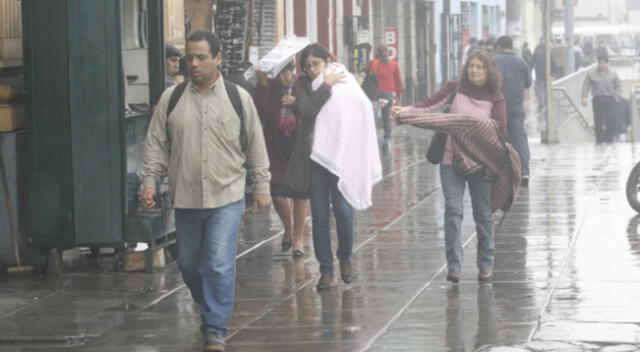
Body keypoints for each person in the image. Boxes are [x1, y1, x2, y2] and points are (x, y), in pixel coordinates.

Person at [141, 30, 271, 352]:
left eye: (201, 57)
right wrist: (149, 182)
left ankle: (215, 327)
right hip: (185, 198)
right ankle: (208, 299)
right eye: (190, 58)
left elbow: (255, 144)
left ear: (217, 59)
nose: (194, 64)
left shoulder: (238, 97)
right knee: (188, 264)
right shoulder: (171, 99)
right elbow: (156, 144)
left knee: (218, 263)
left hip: (226, 196)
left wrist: (262, 185)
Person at [394, 50, 508, 283]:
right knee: (453, 210)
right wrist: (406, 112)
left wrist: (470, 126)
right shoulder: (455, 87)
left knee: (483, 214)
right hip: (450, 160)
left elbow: (499, 127)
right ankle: (454, 265)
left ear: (488, 70)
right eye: (471, 66)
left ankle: (486, 264)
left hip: (481, 163)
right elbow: (429, 105)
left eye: (479, 67)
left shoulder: (494, 96)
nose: (474, 70)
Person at [287, 43, 382, 291]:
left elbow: (359, 109)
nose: (310, 70)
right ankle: (326, 270)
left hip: (342, 157)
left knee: (343, 211)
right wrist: (326, 85)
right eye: (306, 66)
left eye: (315, 64)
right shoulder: (303, 85)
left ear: (327, 61)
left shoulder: (345, 79)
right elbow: (307, 110)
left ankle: (345, 257)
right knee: (319, 216)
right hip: (316, 159)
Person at [254, 61, 309, 258]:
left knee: (300, 194)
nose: (289, 75)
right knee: (277, 192)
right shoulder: (270, 88)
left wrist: (295, 103)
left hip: (299, 145)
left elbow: (310, 110)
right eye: (285, 71)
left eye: (291, 70)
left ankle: (299, 238)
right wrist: (261, 84)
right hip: (276, 147)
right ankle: (288, 228)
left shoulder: (302, 87)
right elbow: (259, 112)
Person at [494, 35, 533, 186]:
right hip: (516, 108)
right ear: (512, 46)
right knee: (520, 139)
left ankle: (501, 173)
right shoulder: (521, 62)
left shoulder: (493, 61)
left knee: (497, 140)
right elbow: (528, 84)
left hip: (497, 109)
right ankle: (524, 172)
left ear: (498, 47)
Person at [366, 45, 403, 151]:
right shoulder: (394, 64)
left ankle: (373, 139)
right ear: (388, 52)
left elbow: (367, 73)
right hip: (387, 96)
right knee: (385, 117)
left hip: (375, 95)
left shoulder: (373, 63)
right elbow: (398, 82)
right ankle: (386, 139)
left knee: (373, 118)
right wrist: (399, 96)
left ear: (377, 53)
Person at [581, 56, 622, 143]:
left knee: (610, 119)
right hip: (598, 99)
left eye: (603, 63)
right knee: (598, 120)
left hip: (610, 99)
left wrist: (617, 96)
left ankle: (609, 139)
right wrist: (584, 97)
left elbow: (618, 86)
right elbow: (586, 86)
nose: (601, 65)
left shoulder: (613, 74)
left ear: (607, 63)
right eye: (599, 63)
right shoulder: (591, 74)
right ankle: (599, 139)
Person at [532, 40, 557, 113]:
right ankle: (547, 102)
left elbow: (531, 61)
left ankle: (541, 103)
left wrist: (533, 67)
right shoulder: (549, 53)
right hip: (547, 73)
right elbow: (553, 62)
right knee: (547, 88)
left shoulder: (536, 52)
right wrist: (554, 71)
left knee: (539, 88)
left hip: (538, 72)